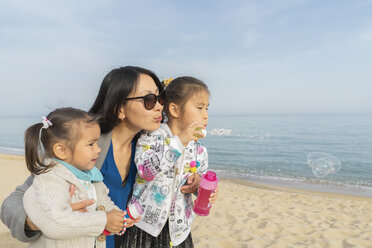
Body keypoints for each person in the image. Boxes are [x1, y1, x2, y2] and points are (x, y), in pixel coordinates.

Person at [0, 66, 202, 247]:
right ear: (119, 108)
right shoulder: (85, 147)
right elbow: (13, 201)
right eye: (149, 100)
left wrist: (193, 185)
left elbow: (166, 188)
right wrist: (35, 222)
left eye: (160, 98)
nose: (159, 106)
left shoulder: (150, 151)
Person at [119, 76, 218, 248]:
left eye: (207, 109)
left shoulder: (199, 149)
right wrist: (180, 142)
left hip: (179, 231)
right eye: (200, 108)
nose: (205, 115)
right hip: (144, 226)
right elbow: (146, 171)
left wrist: (199, 186)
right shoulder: (151, 136)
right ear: (174, 110)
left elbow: (198, 178)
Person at [22, 108, 125, 248]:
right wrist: (104, 220)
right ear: (61, 150)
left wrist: (117, 217)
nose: (98, 149)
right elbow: (54, 224)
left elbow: (103, 203)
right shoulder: (50, 179)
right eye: (91, 144)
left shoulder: (90, 175)